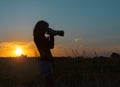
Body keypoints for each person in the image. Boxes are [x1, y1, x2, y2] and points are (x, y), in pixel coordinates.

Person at [33, 20, 64, 87]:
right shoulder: (38, 37)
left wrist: (52, 35)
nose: (47, 29)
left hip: (47, 60)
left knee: (49, 82)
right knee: (49, 82)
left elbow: (51, 46)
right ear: (41, 27)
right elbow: (48, 46)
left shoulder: (41, 36)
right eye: (46, 27)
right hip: (45, 61)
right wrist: (52, 34)